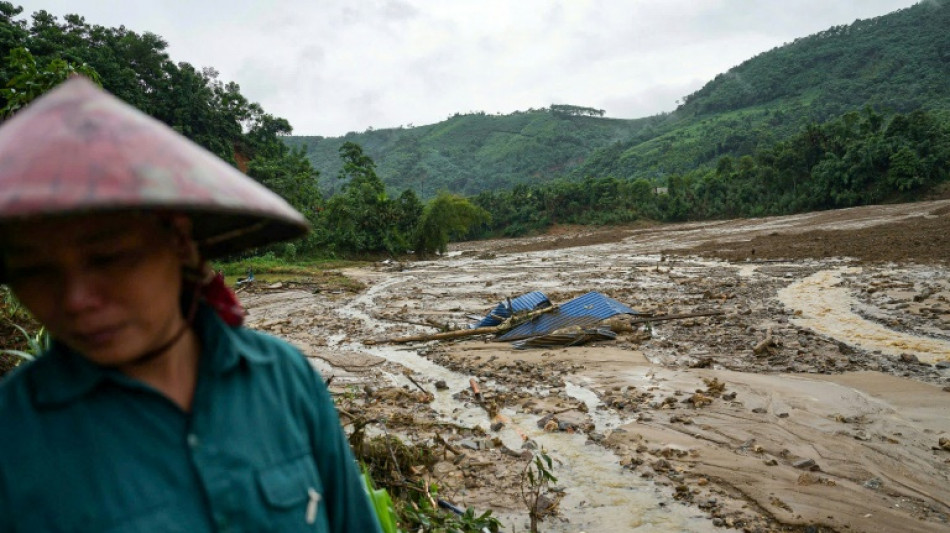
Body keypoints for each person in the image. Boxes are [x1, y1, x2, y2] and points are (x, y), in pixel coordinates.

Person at [0, 77, 383, 533]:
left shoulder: (285, 378)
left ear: (180, 242)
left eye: (109, 258)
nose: (75, 300)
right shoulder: (13, 438)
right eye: (35, 271)